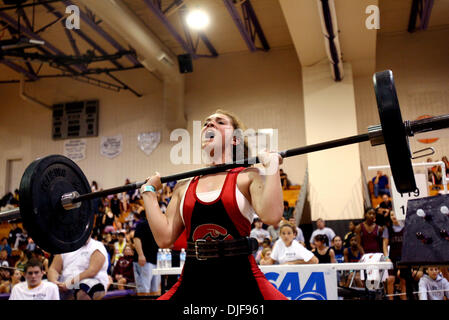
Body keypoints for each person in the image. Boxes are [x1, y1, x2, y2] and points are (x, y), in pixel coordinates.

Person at [140, 109, 287, 301]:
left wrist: (272, 166)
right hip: (193, 281)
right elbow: (165, 238)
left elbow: (272, 216)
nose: (210, 124)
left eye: (220, 122)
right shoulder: (183, 186)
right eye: (207, 122)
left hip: (242, 280)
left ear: (235, 139)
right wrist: (148, 192)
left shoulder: (247, 176)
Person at [133, 210, 161, 296]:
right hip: (144, 260)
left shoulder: (156, 226)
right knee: (144, 289)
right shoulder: (141, 224)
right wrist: (141, 255)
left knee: (155, 290)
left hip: (156, 260)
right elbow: (136, 239)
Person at [382, 210, 406, 300]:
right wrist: (386, 257)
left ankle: (404, 298)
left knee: (403, 280)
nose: (393, 216)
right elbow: (384, 244)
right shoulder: (388, 228)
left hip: (404, 258)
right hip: (392, 257)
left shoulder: (405, 227)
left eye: (395, 214)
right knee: (391, 279)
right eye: (391, 215)